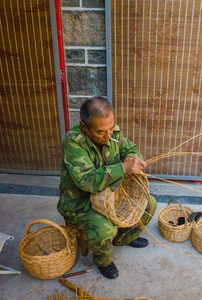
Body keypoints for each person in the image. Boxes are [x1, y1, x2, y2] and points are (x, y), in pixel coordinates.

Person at [57, 96, 157, 279]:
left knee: (149, 204)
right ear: (84, 126)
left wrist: (132, 158)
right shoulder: (73, 142)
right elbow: (85, 180)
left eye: (112, 128)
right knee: (105, 229)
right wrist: (122, 168)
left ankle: (122, 239)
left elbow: (131, 149)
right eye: (101, 132)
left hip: (109, 196)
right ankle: (103, 261)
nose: (109, 135)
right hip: (80, 203)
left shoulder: (112, 133)